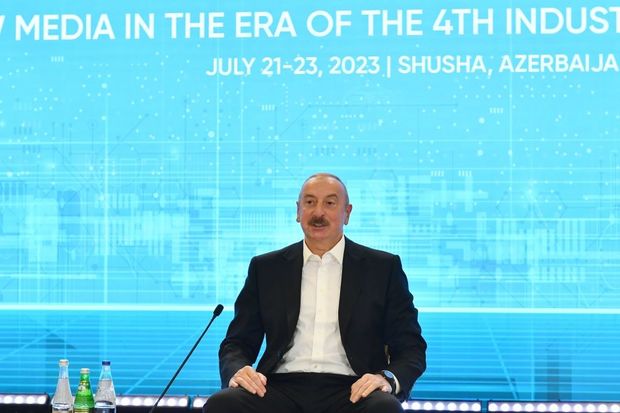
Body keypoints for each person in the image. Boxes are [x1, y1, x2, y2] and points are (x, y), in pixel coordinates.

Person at [204, 173, 426, 413]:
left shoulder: (382, 268)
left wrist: (386, 378)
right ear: (298, 211)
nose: (318, 212)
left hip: (354, 389)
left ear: (347, 213)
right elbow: (237, 343)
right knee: (222, 404)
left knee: (384, 407)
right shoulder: (266, 268)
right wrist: (238, 370)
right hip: (278, 387)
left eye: (330, 203)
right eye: (309, 202)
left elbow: (410, 347)